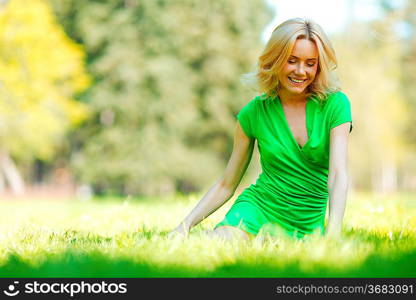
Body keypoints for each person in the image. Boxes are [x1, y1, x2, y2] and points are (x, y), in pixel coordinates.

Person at [169, 18, 353, 241]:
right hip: (258, 209)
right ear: (276, 59)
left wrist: (334, 234)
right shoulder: (253, 113)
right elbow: (227, 184)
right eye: (292, 60)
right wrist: (184, 226)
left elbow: (337, 174)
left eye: (310, 63)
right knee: (221, 241)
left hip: (306, 225)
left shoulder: (335, 105)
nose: (301, 71)